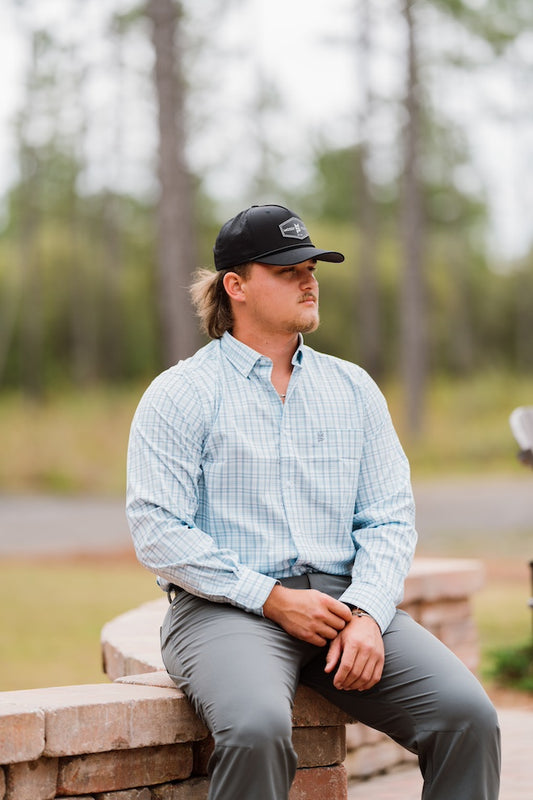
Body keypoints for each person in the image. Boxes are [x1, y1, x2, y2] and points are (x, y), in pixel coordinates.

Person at [126, 204, 500, 800]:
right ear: (236, 286)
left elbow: (389, 518)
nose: (308, 279)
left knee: (468, 719)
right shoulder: (181, 394)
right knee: (256, 730)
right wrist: (271, 598)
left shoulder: (352, 388)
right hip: (226, 609)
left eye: (312, 266)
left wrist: (370, 614)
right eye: (286, 269)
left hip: (343, 607)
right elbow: (157, 528)